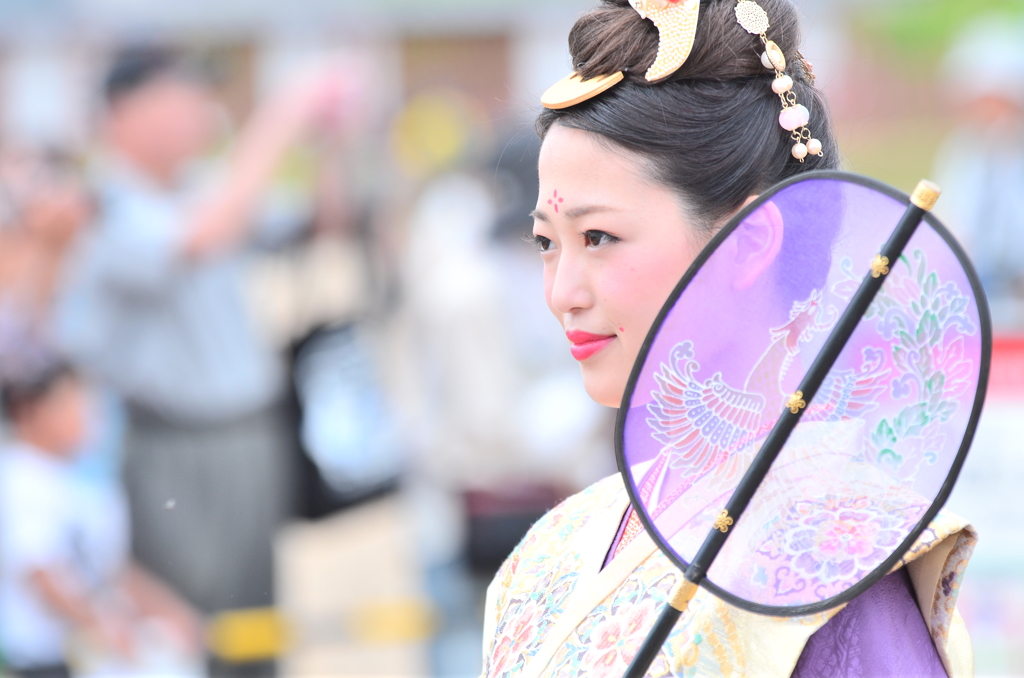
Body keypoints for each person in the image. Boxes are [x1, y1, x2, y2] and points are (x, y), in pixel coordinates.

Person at [480, 1, 976, 676]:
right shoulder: (547, 553)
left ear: (750, 243)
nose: (562, 291)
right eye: (546, 242)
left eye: (598, 237)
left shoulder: (829, 555)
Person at [55, 48, 347, 676]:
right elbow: (198, 236)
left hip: (250, 437)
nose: (196, 109)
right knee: (184, 635)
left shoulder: (199, 186)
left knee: (254, 634)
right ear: (123, 110)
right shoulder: (100, 198)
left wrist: (326, 141)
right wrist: (281, 114)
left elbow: (319, 224)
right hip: (168, 448)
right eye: (179, 93)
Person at [0, 358, 201, 678]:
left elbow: (108, 567)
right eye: (70, 405)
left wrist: (167, 609)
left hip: (94, 652)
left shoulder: (80, 477)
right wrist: (104, 627)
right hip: (47, 663)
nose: (87, 417)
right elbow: (40, 574)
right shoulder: (19, 477)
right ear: (29, 410)